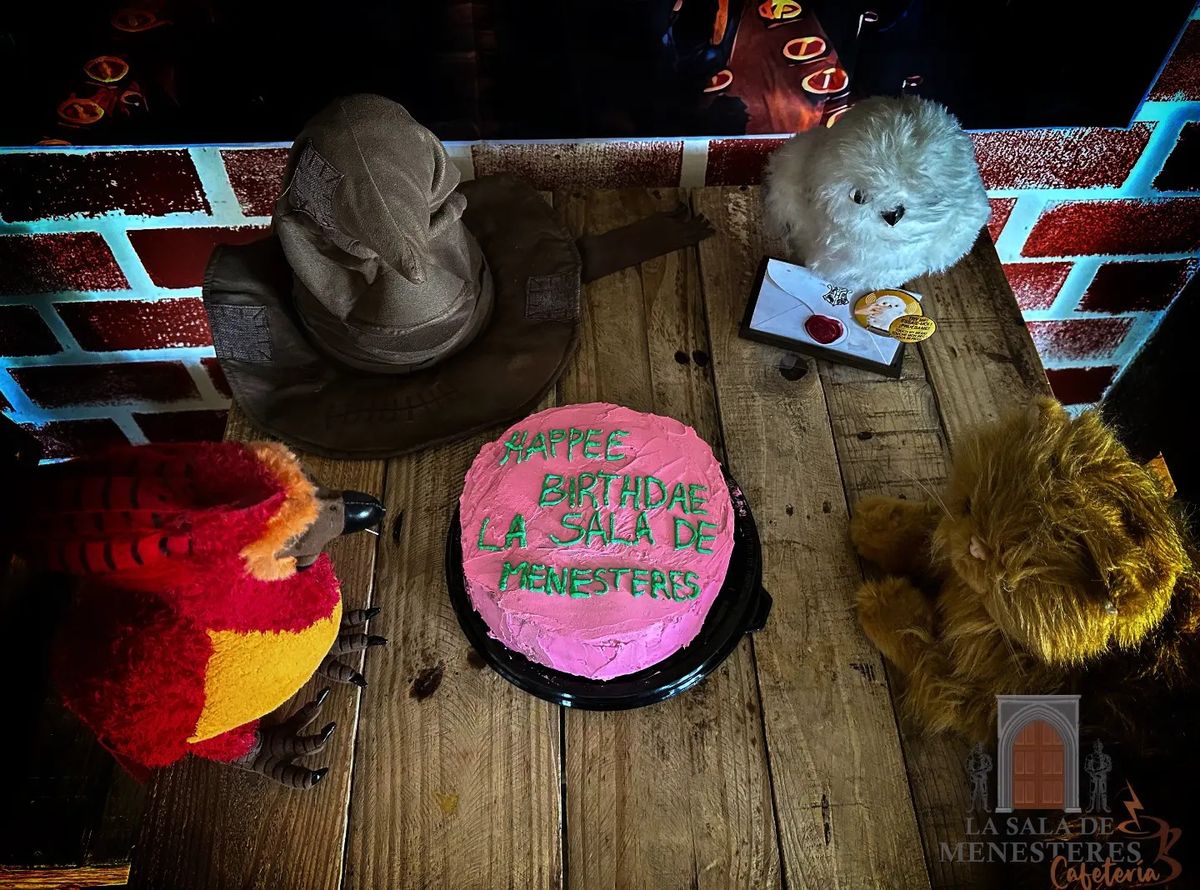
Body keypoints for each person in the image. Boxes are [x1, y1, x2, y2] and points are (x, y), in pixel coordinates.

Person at [1085, 740, 1113, 812]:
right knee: (1092, 792)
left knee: (1103, 792)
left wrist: (1100, 772)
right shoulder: (1089, 756)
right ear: (1093, 747)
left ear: (1102, 747)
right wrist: (1093, 774)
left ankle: (1104, 806)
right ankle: (1091, 806)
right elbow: (1087, 768)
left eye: (1099, 746)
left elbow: (1109, 767)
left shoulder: (1106, 757)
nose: (1098, 748)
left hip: (1103, 777)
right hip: (1093, 777)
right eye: (1096, 746)